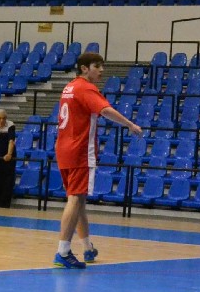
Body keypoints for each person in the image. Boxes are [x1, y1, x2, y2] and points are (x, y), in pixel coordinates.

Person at [52, 52, 142, 269]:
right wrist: (129, 124)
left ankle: (87, 248)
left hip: (63, 148)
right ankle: (62, 252)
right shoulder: (86, 88)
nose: (101, 70)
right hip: (80, 150)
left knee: (79, 200)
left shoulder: (69, 87)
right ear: (84, 68)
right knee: (75, 199)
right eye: (97, 66)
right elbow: (105, 110)